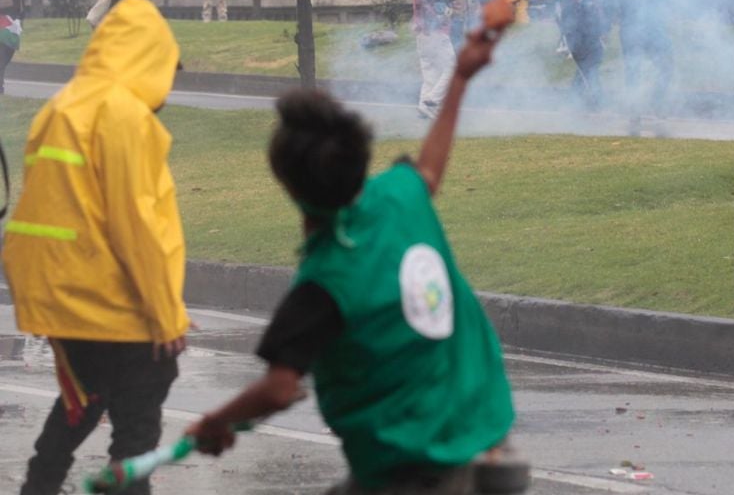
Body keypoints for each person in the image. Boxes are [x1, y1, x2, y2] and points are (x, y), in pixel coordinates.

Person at [186, 34, 517, 495]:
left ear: (287, 185)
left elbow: (280, 388)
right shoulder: (401, 196)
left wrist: (214, 422)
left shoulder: (324, 282)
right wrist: (460, 76)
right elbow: (432, 165)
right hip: (489, 439)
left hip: (413, 469)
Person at [2, 0, 189, 495]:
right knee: (138, 425)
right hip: (110, 298)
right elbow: (136, 225)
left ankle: (38, 487)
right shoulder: (124, 115)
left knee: (82, 399)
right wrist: (166, 316)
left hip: (62, 297)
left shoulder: (62, 104)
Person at [546, 0, 604, 107]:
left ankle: (580, 96)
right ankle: (588, 98)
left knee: (594, 61)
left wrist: (601, 28)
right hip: (573, 32)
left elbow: (597, 9)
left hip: (590, 31)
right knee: (585, 65)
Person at [412, 0, 457, 119]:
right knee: (452, 68)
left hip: (422, 32)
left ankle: (424, 106)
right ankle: (432, 101)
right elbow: (427, 4)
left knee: (431, 71)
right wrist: (442, 16)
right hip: (435, 31)